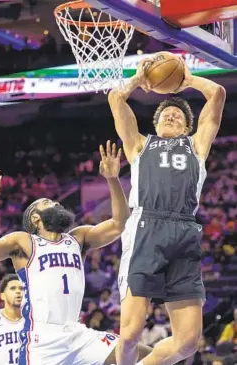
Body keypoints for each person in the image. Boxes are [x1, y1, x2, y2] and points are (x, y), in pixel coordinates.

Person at [0, 141, 152, 365]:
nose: (57, 202)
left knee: (146, 355)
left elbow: (119, 224)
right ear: (35, 218)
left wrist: (112, 179)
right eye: (48, 202)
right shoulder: (25, 242)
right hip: (42, 341)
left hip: (77, 335)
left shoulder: (78, 238)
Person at [108, 57, 226, 365]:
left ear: (188, 126)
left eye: (177, 115)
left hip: (184, 231)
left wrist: (188, 80)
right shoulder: (139, 145)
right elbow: (115, 98)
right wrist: (137, 79)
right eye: (165, 115)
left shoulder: (197, 146)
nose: (171, 116)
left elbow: (217, 94)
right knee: (131, 332)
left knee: (188, 342)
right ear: (156, 125)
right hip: (146, 226)